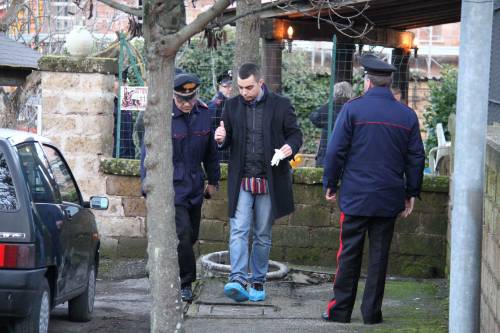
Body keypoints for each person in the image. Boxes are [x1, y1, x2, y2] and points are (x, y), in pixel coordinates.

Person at [321, 54, 425, 324]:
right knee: (379, 258)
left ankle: (340, 311)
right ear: (389, 83)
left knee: (348, 255)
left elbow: (335, 151)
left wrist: (330, 183)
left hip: (355, 196)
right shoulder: (407, 115)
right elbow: (416, 158)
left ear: (367, 81)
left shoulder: (352, 110)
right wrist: (411, 193)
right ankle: (371, 314)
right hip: (389, 198)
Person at [214, 63, 303, 302]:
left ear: (260, 83)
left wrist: (289, 147)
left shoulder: (281, 105)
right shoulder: (231, 106)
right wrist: (221, 139)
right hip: (241, 179)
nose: (244, 92)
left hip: (269, 179)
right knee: (239, 229)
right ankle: (238, 278)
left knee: (262, 233)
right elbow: (226, 139)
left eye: (249, 87)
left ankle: (258, 280)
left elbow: (296, 134)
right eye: (241, 87)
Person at [140, 73, 220, 302]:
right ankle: (185, 283)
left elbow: (211, 153)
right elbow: (148, 154)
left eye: (190, 98)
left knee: (191, 236)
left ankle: (161, 265)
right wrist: (147, 186)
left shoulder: (205, 114)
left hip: (195, 187)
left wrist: (213, 181)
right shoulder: (162, 117)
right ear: (173, 96)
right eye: (182, 99)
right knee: (183, 235)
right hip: (171, 188)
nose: (187, 104)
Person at [308, 81, 353, 167]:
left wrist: (327, 104)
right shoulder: (353, 107)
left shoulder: (329, 107)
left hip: (326, 155)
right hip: (347, 156)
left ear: (335, 92)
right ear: (349, 92)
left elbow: (313, 117)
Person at [208, 71, 233, 162]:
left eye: (232, 86)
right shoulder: (214, 106)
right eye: (226, 86)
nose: (230, 89)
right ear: (219, 87)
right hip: (220, 156)